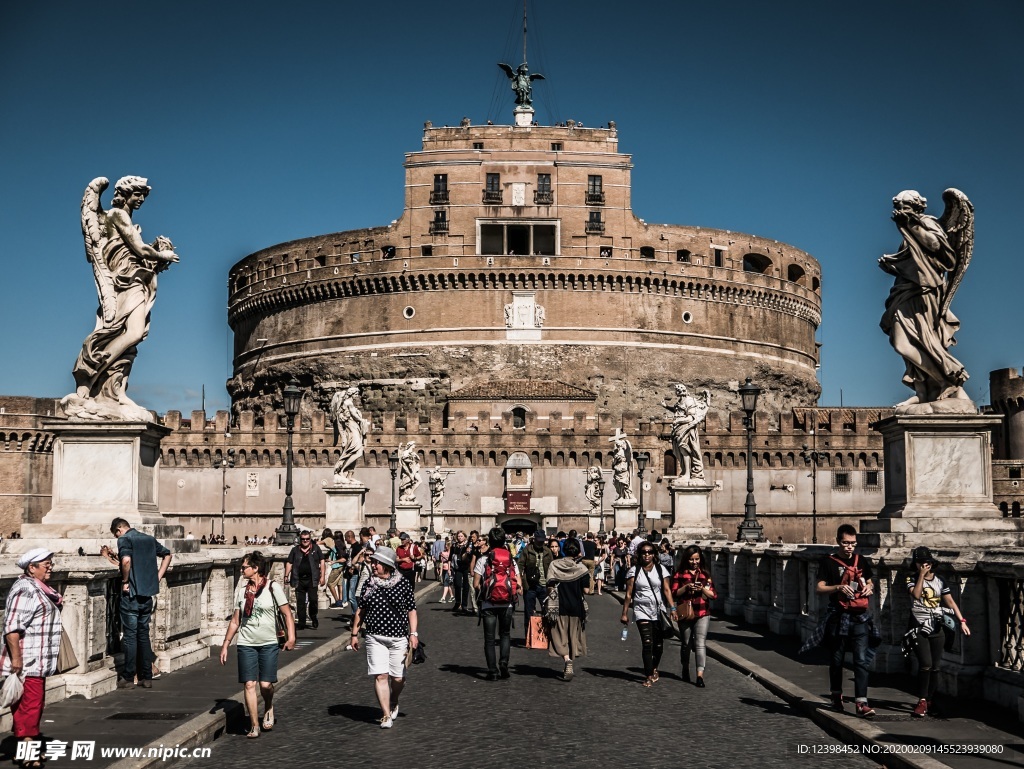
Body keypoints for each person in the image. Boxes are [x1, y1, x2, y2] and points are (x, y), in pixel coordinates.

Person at [69, 176, 178, 420]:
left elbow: (134, 252)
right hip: (125, 282)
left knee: (130, 337)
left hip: (134, 279)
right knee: (133, 332)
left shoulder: (116, 220)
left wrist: (154, 260)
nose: (140, 200)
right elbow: (138, 249)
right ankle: (91, 374)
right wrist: (164, 255)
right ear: (126, 193)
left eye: (143, 196)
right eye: (138, 194)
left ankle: (116, 391)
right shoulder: (117, 216)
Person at [879, 189, 973, 408]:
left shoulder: (927, 222)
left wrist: (910, 225)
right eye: (898, 207)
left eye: (905, 207)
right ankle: (923, 390)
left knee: (916, 341)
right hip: (905, 291)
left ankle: (948, 381)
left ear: (917, 207)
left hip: (924, 294)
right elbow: (916, 265)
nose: (900, 211)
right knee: (902, 341)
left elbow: (936, 247)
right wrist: (892, 265)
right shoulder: (908, 231)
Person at [219, 551, 295, 738]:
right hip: (246, 642)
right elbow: (236, 620)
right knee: (249, 684)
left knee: (265, 684)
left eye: (244, 567)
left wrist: (291, 637)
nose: (242, 570)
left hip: (268, 642)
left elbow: (287, 613)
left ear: (255, 568)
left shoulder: (272, 587)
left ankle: (268, 706)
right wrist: (226, 644)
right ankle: (254, 725)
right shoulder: (241, 591)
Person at [807, 524, 878, 718]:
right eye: (846, 543)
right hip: (838, 617)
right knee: (837, 659)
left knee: (861, 660)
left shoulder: (860, 560)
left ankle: (861, 703)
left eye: (852, 543)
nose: (849, 547)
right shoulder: (829, 562)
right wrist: (838, 587)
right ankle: (836, 695)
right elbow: (819, 587)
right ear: (838, 541)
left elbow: (870, 581)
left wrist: (869, 588)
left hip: (860, 617)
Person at [2, 549, 62, 762]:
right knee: (30, 707)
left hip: (38, 659)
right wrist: (17, 659)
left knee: (29, 706)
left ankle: (25, 751)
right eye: (46, 563)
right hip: (28, 661)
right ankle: (28, 755)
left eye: (50, 563)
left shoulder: (39, 588)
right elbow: (12, 627)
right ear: (31, 567)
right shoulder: (26, 590)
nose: (50, 567)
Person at [349, 547, 419, 729]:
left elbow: (411, 610)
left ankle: (394, 699)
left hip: (398, 638)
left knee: (398, 678)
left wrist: (413, 633)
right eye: (373, 562)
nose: (373, 565)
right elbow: (361, 610)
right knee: (381, 675)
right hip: (374, 636)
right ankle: (386, 714)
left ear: (387, 565)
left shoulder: (402, 583)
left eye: (376, 563)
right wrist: (354, 634)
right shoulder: (369, 583)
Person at [905, 546, 970, 717]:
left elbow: (950, 602)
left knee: (935, 667)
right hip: (918, 626)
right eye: (920, 563)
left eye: (926, 562)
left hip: (937, 626)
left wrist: (961, 621)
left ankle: (930, 699)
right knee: (925, 664)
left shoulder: (940, 581)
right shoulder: (910, 579)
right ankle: (922, 700)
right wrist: (920, 576)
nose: (924, 566)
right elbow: (917, 595)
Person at [110, 517, 171, 688]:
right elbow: (167, 554)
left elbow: (126, 561)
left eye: (116, 535)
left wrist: (124, 581)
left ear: (119, 530)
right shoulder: (148, 539)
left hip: (132, 596)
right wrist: (158, 577)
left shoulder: (125, 539)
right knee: (143, 635)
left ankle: (129, 677)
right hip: (147, 595)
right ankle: (146, 677)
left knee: (130, 637)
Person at [621, 542, 677, 687]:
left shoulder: (661, 570)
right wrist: (625, 613)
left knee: (658, 645)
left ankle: (654, 667)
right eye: (644, 552)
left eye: (650, 552)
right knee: (647, 643)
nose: (647, 555)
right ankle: (648, 675)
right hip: (641, 611)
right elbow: (628, 595)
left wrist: (673, 608)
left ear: (654, 554)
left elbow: (666, 590)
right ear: (639, 554)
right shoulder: (634, 571)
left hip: (659, 611)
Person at [474, 527, 522, 680]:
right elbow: (518, 584)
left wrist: (487, 590)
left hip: (488, 604)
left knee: (489, 639)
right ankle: (504, 662)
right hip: (507, 604)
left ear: (490, 541)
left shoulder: (483, 560)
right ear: (504, 541)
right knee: (505, 635)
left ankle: (493, 671)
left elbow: (476, 584)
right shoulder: (511, 561)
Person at [672, 545, 717, 686]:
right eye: (691, 559)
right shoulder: (679, 574)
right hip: (685, 613)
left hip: (702, 612)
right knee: (686, 644)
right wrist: (686, 588)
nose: (694, 562)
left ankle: (699, 676)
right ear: (687, 559)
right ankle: (685, 667)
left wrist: (702, 588)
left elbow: (713, 595)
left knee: (700, 644)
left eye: (697, 559)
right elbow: (673, 594)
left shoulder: (705, 575)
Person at [546, 539, 590, 681]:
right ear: (578, 551)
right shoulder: (582, 568)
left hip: (559, 606)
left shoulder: (554, 565)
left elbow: (549, 586)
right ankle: (570, 660)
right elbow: (587, 590)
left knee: (558, 635)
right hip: (576, 607)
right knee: (573, 637)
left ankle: (566, 660)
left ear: (563, 549)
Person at [284, 531, 325, 629]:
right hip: (299, 579)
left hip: (312, 579)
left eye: (307, 539)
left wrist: (322, 576)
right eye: (303, 539)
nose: (305, 541)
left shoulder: (315, 548)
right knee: (300, 602)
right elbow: (289, 563)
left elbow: (322, 561)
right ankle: (302, 622)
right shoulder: (295, 550)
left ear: (310, 539)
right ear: (300, 539)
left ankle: (313, 616)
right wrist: (286, 575)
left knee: (313, 600)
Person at [519, 531, 554, 623]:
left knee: (547, 611)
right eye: (539, 541)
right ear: (534, 540)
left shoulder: (547, 551)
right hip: (530, 585)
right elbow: (520, 565)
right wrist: (520, 583)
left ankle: (546, 635)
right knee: (529, 613)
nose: (540, 543)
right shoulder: (527, 550)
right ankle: (529, 635)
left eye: (542, 541)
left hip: (544, 585)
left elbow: (552, 566)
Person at [323, 528, 347, 607]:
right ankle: (341, 600)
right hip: (341, 566)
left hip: (336, 566)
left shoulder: (334, 543)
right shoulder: (342, 544)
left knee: (330, 584)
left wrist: (334, 561)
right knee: (339, 584)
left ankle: (337, 601)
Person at [449, 531, 472, 614]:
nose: (460, 537)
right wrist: (449, 568)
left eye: (461, 536)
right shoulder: (454, 545)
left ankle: (464, 605)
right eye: (458, 536)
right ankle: (458, 602)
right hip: (457, 567)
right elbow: (450, 557)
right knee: (457, 585)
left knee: (466, 586)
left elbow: (471, 556)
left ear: (465, 537)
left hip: (466, 567)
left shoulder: (468, 545)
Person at [438, 538, 454, 603]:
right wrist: (440, 572)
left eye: (446, 545)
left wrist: (444, 556)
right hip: (444, 569)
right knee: (447, 583)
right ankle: (452, 596)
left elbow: (450, 560)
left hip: (449, 569)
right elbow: (441, 562)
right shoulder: (443, 552)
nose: (445, 546)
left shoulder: (450, 553)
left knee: (446, 583)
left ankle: (443, 597)